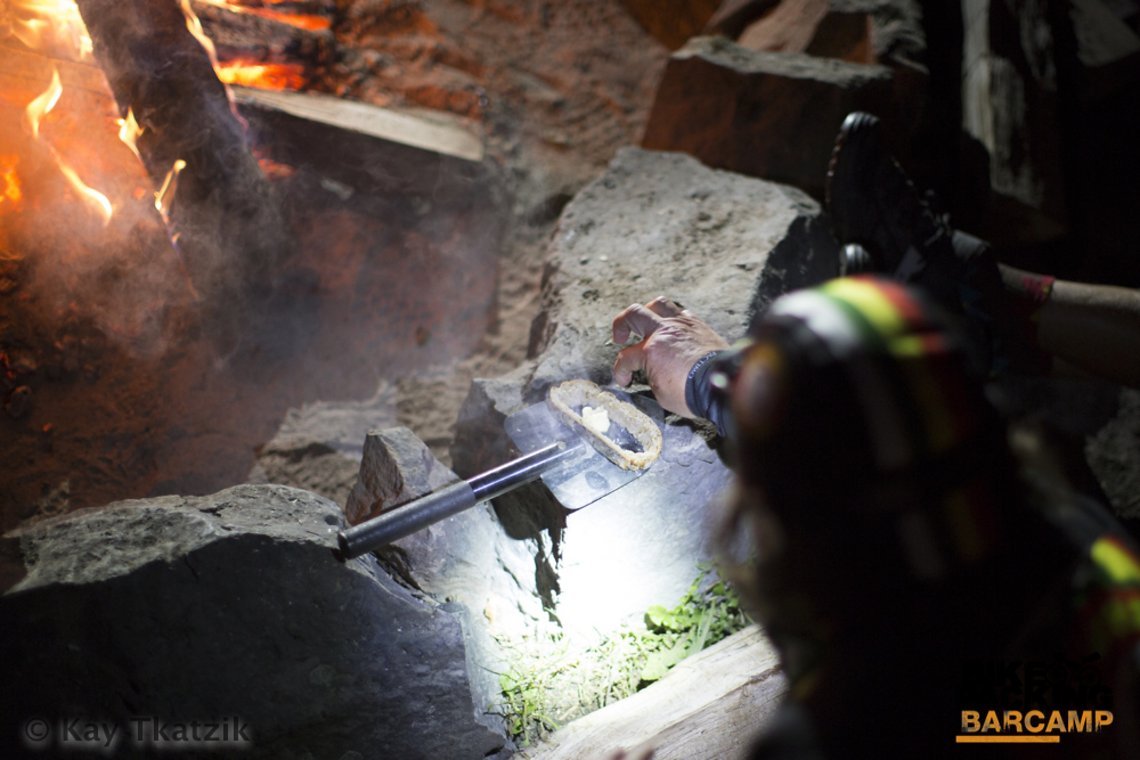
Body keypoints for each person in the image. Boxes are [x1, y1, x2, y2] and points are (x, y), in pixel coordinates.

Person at [607, 113, 1140, 756]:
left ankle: (981, 300)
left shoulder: (844, 733)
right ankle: (983, 297)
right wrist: (716, 379)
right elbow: (871, 461)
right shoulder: (1092, 559)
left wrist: (716, 383)